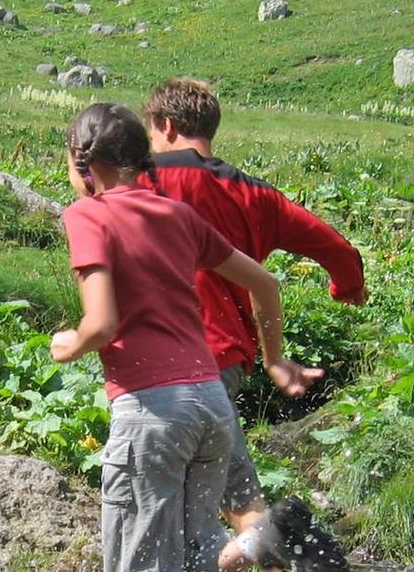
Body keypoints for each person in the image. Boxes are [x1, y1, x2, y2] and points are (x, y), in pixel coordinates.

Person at [50, 102, 308, 572]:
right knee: (195, 550)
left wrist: (74, 342)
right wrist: (275, 358)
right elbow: (266, 285)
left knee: (138, 561)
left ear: (82, 159)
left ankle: (257, 541)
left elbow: (102, 323)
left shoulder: (87, 214)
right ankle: (253, 542)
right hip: (210, 403)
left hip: (154, 412)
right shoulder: (177, 214)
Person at [136, 78, 365, 569]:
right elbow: (337, 248)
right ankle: (275, 542)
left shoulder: (140, 180)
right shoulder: (256, 194)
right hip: (224, 368)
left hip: (162, 368)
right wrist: (347, 288)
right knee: (240, 502)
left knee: (170, 510)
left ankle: (250, 546)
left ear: (166, 125)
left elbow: (89, 196)